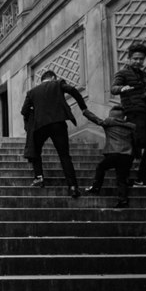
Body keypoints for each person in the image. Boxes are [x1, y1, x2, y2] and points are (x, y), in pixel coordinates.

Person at [20, 69, 90, 198]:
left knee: (36, 151)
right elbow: (73, 90)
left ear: (42, 80)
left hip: (40, 126)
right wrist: (83, 107)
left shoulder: (32, 92)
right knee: (64, 155)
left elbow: (24, 111)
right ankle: (73, 187)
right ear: (53, 77)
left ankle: (39, 177)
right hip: (58, 123)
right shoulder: (57, 84)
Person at [111, 42, 146, 186]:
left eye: (141, 59)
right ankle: (124, 176)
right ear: (128, 58)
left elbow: (143, 91)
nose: (138, 61)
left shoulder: (143, 74)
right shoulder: (122, 73)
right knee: (136, 144)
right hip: (133, 112)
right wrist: (123, 88)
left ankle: (141, 177)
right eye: (135, 58)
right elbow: (114, 88)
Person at [83, 105, 137, 207]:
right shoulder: (131, 127)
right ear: (124, 117)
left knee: (100, 167)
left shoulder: (108, 123)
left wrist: (85, 111)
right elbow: (135, 143)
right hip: (127, 156)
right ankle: (123, 200)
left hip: (113, 154)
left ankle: (96, 187)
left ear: (111, 116)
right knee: (121, 179)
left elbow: (96, 119)